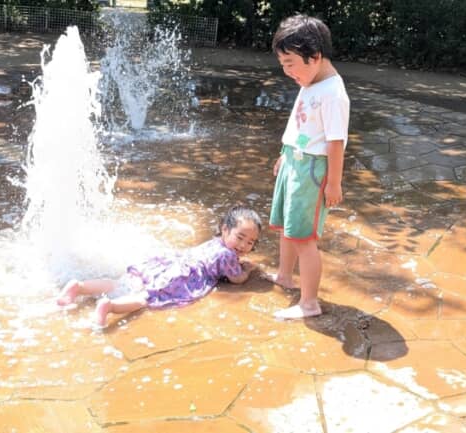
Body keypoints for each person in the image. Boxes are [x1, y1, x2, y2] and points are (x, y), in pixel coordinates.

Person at [268, 14, 350, 319]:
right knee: (288, 228)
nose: (287, 71)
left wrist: (334, 183)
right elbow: (301, 125)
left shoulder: (332, 93)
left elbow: (335, 142)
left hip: (313, 171)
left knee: (304, 237)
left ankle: (309, 303)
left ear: (314, 57)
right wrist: (285, 153)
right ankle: (284, 276)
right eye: (283, 64)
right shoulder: (311, 82)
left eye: (290, 63)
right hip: (294, 161)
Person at [55, 205, 262, 327]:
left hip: (167, 264)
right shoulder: (227, 255)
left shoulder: (216, 242)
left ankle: (79, 287)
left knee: (121, 282)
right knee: (145, 298)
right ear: (225, 230)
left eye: (250, 242)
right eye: (240, 238)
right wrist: (248, 270)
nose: (243, 245)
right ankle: (110, 307)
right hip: (180, 277)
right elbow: (237, 279)